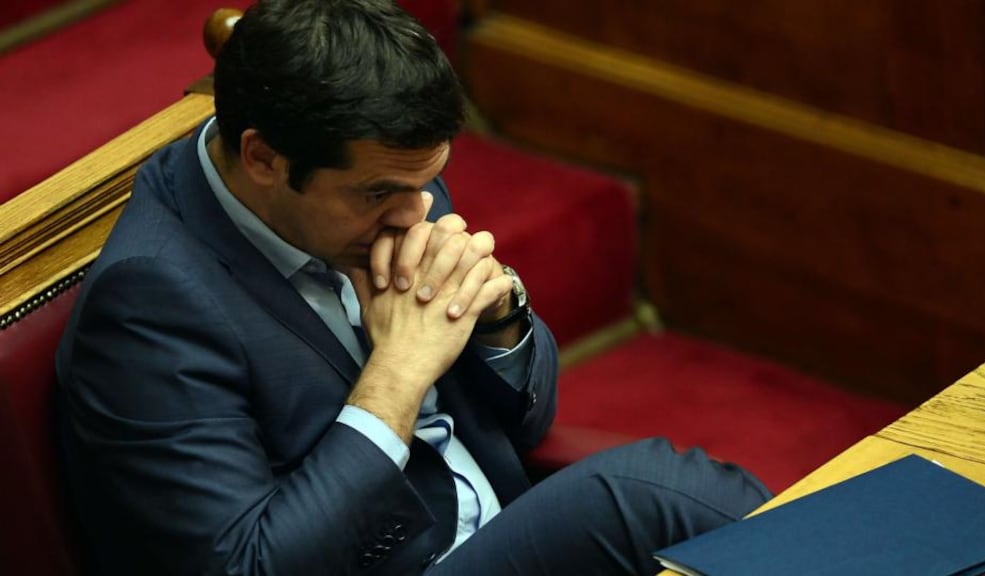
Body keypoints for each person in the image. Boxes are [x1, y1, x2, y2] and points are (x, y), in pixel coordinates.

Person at [55, 1, 772, 574]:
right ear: (264, 158)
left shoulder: (389, 176)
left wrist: (499, 321)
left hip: (490, 526)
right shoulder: (149, 304)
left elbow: (525, 421)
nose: (416, 212)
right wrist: (398, 370)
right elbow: (249, 564)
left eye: (428, 181)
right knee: (640, 498)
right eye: (378, 195)